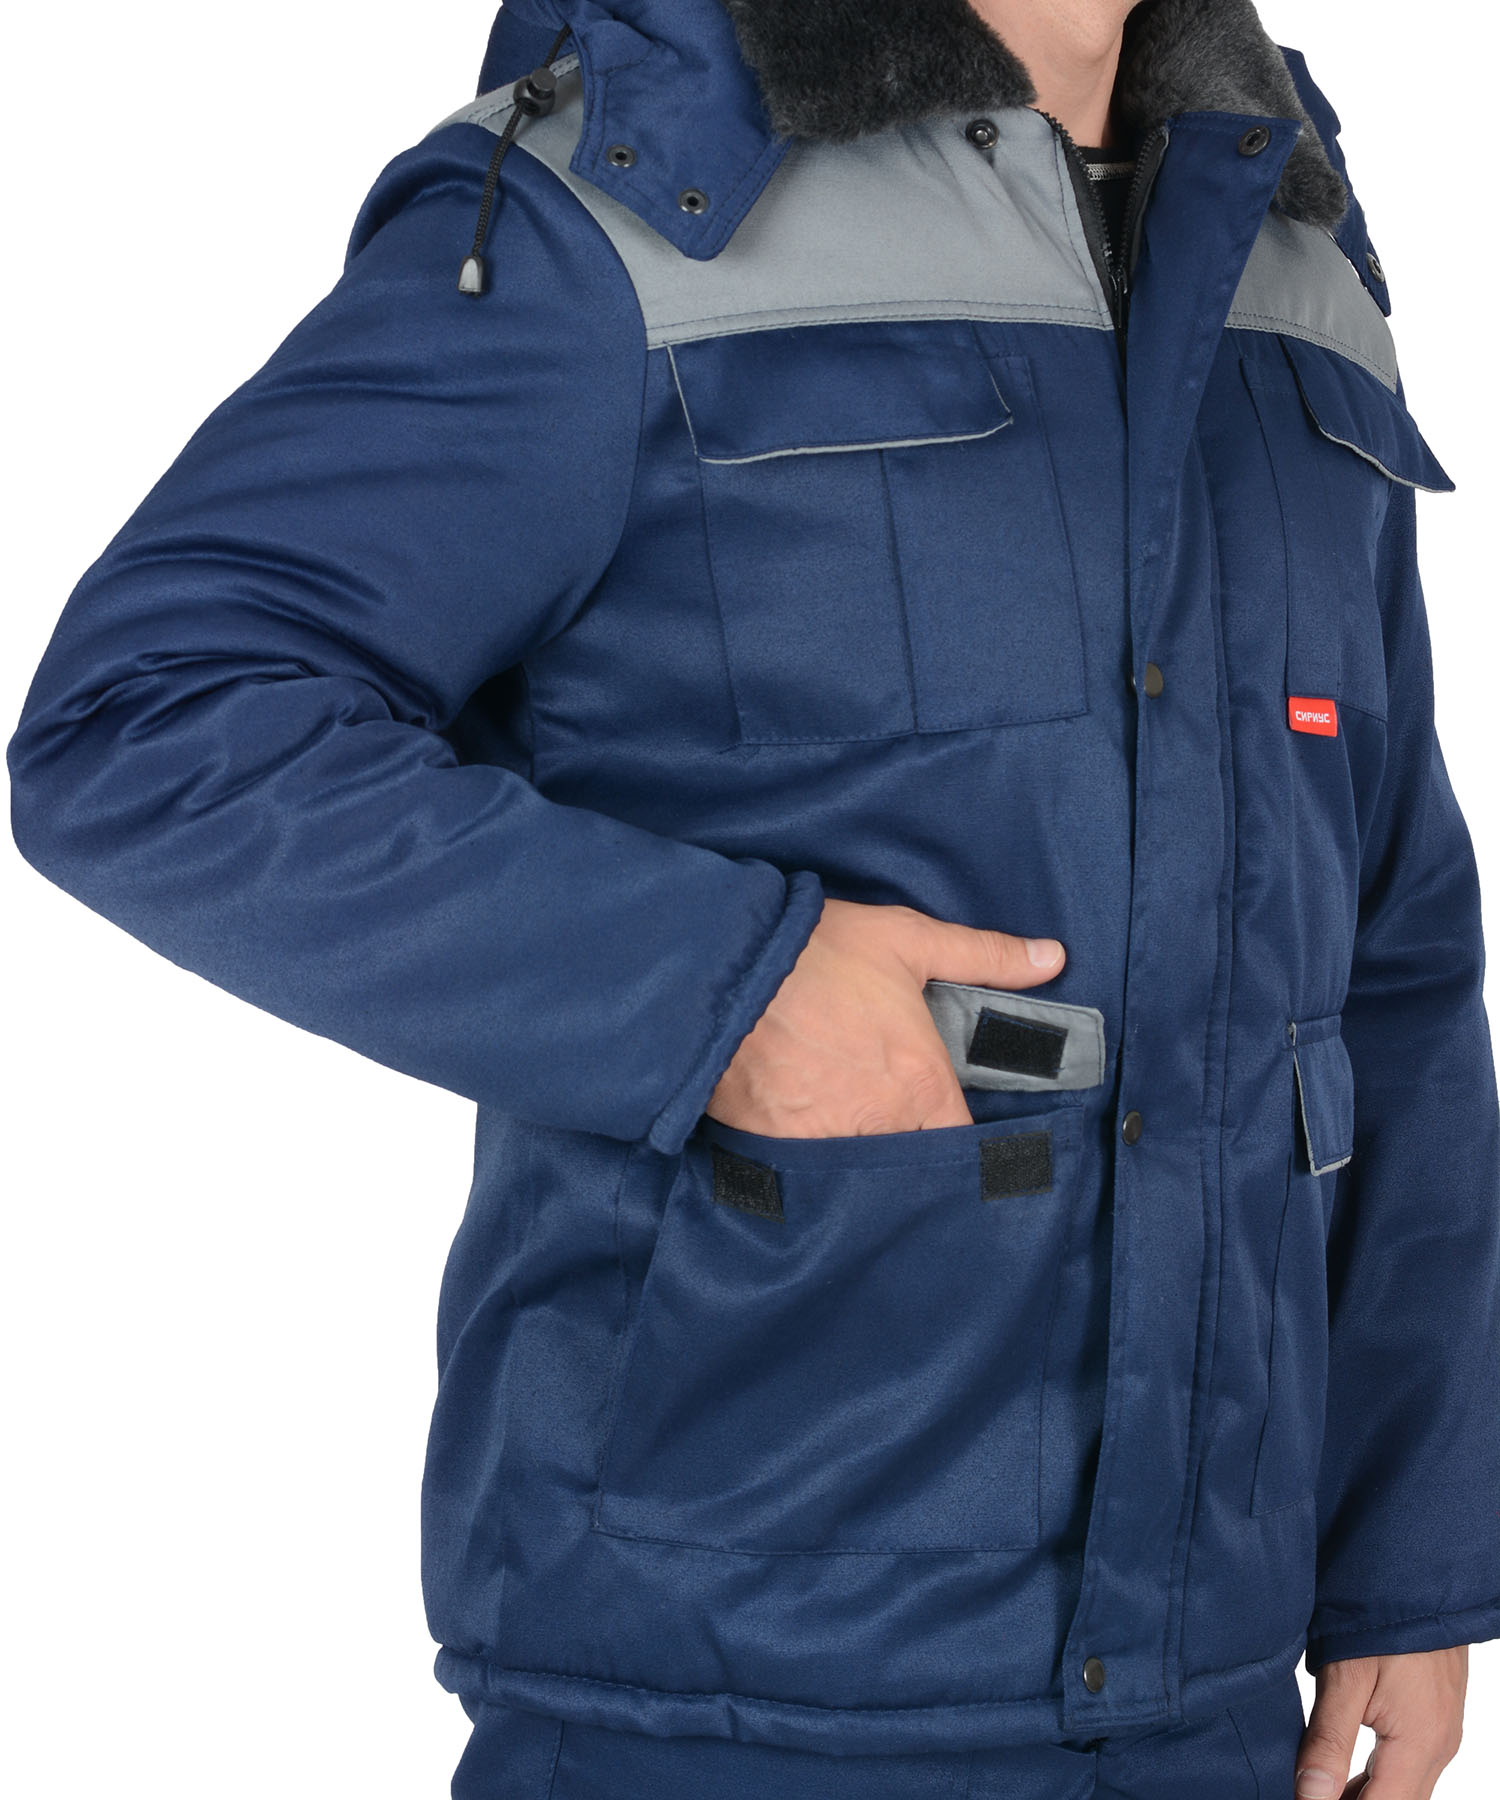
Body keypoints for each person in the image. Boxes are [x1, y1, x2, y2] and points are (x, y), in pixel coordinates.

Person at [8, 0, 1497, 1794]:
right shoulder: (624, 210)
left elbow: (1391, 946)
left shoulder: (1290, 248)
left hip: (1215, 1694)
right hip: (721, 1691)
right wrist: (728, 992)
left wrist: (1412, 1552)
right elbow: (151, 720)